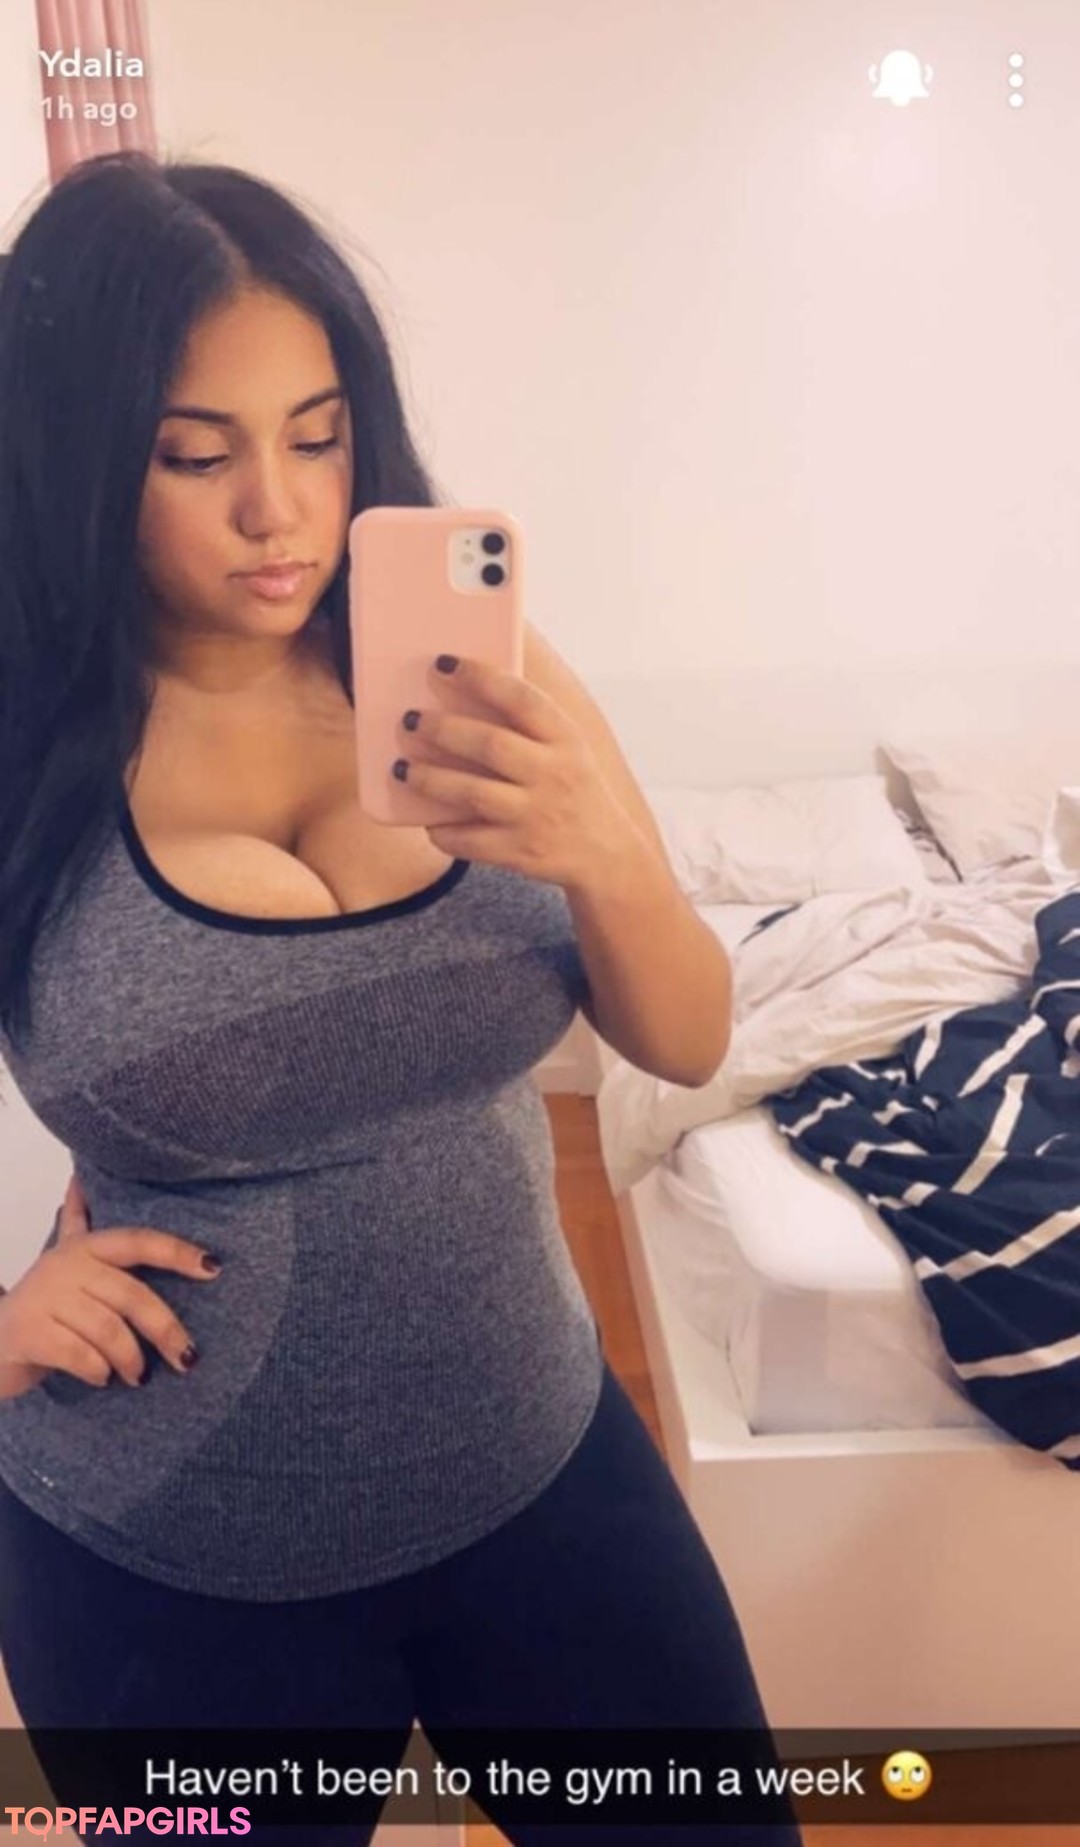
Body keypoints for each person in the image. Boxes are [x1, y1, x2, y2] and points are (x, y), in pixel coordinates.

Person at [0, 151, 802, 1845]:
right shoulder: (24, 741)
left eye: (317, 436)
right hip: (173, 1561)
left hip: (542, 1466)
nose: (278, 513)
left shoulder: (472, 669)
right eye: (195, 454)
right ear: (75, 454)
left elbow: (686, 1036)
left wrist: (608, 859)